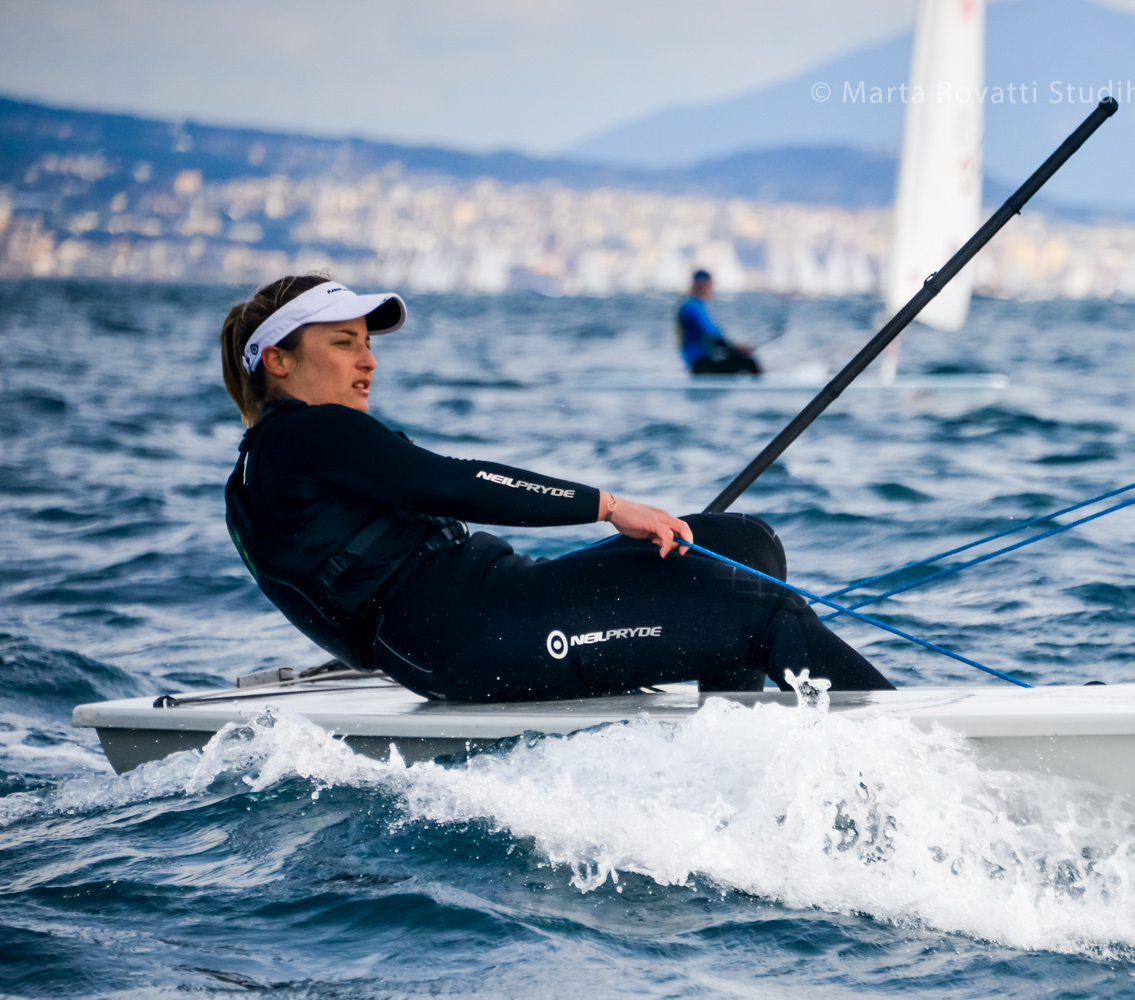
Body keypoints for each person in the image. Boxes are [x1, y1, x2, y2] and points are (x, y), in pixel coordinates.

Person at [217, 274, 891, 702]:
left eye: (368, 342)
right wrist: (610, 507)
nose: (368, 360)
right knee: (762, 614)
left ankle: (731, 746)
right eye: (344, 343)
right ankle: (912, 758)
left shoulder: (270, 463)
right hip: (473, 638)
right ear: (278, 360)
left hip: (483, 615)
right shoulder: (307, 433)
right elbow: (452, 483)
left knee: (741, 544)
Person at [676, 270, 761, 376]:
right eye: (710, 285)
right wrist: (737, 348)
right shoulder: (693, 307)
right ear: (702, 285)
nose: (712, 289)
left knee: (738, 358)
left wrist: (734, 349)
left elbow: (716, 340)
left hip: (701, 362)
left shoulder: (694, 305)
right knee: (748, 363)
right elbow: (715, 337)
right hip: (700, 365)